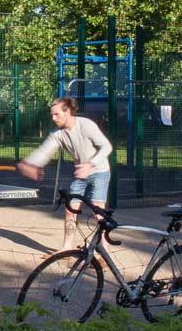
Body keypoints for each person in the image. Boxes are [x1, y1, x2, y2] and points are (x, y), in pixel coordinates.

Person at [17, 97, 113, 253]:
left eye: (56, 114)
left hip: (99, 171)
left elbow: (107, 147)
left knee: (98, 212)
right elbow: (45, 151)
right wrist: (30, 163)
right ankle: (67, 247)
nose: (53, 118)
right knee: (70, 209)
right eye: (52, 115)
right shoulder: (58, 133)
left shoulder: (86, 125)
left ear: (67, 112)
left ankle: (105, 251)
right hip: (80, 174)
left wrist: (90, 165)